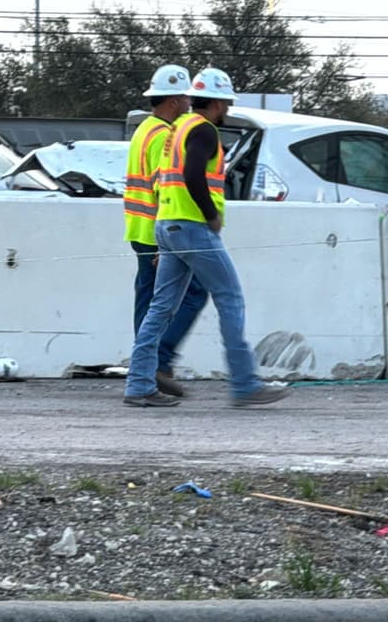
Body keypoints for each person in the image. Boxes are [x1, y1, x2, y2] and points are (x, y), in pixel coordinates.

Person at [123, 68, 292, 408]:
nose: (227, 109)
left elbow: (165, 179)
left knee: (160, 308)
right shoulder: (203, 130)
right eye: (226, 103)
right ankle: (244, 384)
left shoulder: (177, 129)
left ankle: (139, 384)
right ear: (216, 102)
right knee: (230, 297)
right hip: (192, 227)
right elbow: (192, 175)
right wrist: (211, 215)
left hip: (167, 225)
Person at [123, 64, 209, 397]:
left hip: (139, 228)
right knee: (193, 291)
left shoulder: (144, 129)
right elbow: (164, 185)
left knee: (147, 301)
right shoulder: (163, 136)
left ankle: (145, 368)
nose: (189, 103)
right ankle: (157, 363)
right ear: (174, 100)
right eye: (186, 97)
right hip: (157, 232)